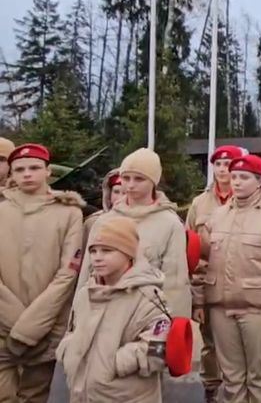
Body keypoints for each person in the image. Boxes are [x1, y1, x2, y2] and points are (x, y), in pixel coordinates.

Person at [192, 154, 261, 402]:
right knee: (232, 378)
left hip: (258, 309)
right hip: (221, 308)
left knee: (259, 377)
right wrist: (199, 301)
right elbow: (203, 261)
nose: (237, 182)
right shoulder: (218, 216)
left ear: (260, 181)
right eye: (234, 177)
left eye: (244, 177)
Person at [58, 216, 186, 401]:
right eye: (93, 251)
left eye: (107, 251)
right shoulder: (85, 293)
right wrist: (68, 351)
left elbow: (158, 347)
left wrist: (115, 364)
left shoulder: (148, 296)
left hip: (126, 395)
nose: (98, 257)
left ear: (129, 254)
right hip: (83, 394)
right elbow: (72, 329)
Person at [0, 143, 85, 402]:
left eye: (35, 168)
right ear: (11, 174)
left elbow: (67, 273)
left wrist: (33, 325)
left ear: (48, 172)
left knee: (34, 396)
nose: (27, 174)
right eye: (20, 169)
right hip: (2, 325)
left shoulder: (69, 212)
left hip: (48, 326)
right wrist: (16, 320)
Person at [78, 148, 192, 321]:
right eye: (126, 178)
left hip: (146, 316)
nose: (130, 185)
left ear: (153, 181)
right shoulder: (104, 221)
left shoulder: (170, 223)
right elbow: (87, 274)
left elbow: (175, 283)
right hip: (103, 313)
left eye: (139, 179)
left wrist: (174, 326)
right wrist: (78, 318)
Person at [186, 144, 243, 402]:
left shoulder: (248, 200)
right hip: (208, 282)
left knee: (239, 345)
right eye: (218, 164)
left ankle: (239, 390)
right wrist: (196, 298)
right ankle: (211, 386)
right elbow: (192, 251)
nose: (222, 169)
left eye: (228, 164)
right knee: (209, 342)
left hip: (242, 285)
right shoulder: (199, 203)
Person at [83, 169, 123, 247]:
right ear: (109, 194)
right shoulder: (93, 222)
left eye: (125, 192)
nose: (120, 197)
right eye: (116, 192)